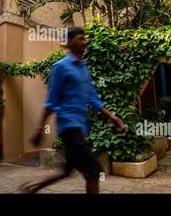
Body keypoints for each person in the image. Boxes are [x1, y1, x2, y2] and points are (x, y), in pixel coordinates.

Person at [20, 27, 125, 194]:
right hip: (69, 127)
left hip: (80, 127)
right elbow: (51, 100)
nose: (85, 42)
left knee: (65, 170)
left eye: (85, 38)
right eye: (81, 38)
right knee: (93, 170)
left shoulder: (84, 68)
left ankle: (32, 187)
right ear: (69, 43)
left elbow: (92, 98)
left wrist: (112, 117)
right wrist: (40, 128)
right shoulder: (61, 67)